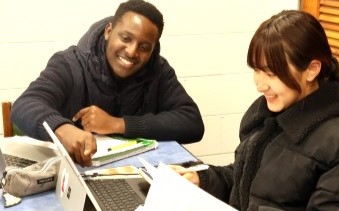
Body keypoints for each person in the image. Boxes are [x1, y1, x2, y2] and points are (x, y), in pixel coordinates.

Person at [172, 10, 339, 211]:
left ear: (312, 70)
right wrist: (202, 180)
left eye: (271, 73)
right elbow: (248, 178)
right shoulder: (271, 113)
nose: (260, 85)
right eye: (257, 70)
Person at [10, 0, 204, 167]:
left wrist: (118, 124)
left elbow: (192, 123)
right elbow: (25, 104)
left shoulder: (159, 71)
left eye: (144, 47)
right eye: (125, 38)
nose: (131, 51)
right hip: (79, 178)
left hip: (136, 179)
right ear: (109, 31)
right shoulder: (70, 63)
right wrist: (61, 128)